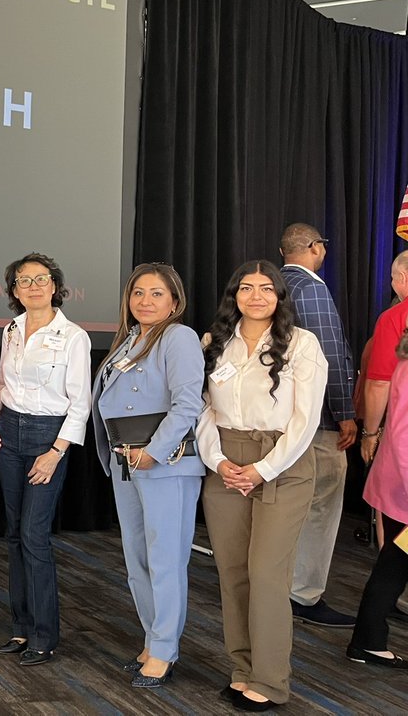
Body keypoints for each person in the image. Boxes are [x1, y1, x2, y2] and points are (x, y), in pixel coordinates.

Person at [198, 260, 327, 711]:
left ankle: (271, 681)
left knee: (268, 574)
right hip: (226, 464)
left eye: (267, 288)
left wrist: (262, 470)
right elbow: (203, 412)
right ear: (234, 294)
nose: (257, 296)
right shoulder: (214, 343)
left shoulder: (303, 344)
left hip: (283, 464)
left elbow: (305, 420)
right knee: (233, 573)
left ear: (279, 296)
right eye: (247, 288)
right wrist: (217, 460)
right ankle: (242, 668)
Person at [91, 263, 204, 688]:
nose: (146, 301)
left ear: (175, 301)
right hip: (126, 462)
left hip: (165, 465)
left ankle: (164, 650)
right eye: (139, 293)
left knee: (165, 559)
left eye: (157, 294)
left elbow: (187, 404)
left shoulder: (178, 338)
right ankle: (152, 637)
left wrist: (154, 453)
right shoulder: (129, 340)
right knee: (137, 560)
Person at [0, 253, 91, 665]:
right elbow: (2, 382)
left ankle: (45, 635)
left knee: (34, 535)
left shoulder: (74, 337)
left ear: (54, 285)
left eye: (40, 279)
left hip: (49, 438)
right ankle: (20, 628)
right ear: (13, 291)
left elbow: (80, 404)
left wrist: (56, 453)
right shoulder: (11, 330)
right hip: (8, 433)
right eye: (23, 281)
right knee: (13, 534)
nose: (32, 286)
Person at [279, 224, 357, 627]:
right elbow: (329, 357)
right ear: (315, 248)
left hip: (277, 419)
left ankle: (278, 587)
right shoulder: (313, 289)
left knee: (285, 505)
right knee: (321, 506)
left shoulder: (268, 286)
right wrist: (345, 413)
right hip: (320, 421)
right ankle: (304, 596)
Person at [348, 327, 408, 667]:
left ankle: (367, 641)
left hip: (396, 484)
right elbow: (402, 436)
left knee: (394, 564)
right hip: (404, 488)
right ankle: (367, 641)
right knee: (394, 564)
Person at [361, 252, 408, 469]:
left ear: (403, 277)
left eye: (392, 278)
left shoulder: (394, 317)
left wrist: (370, 433)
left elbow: (380, 383)